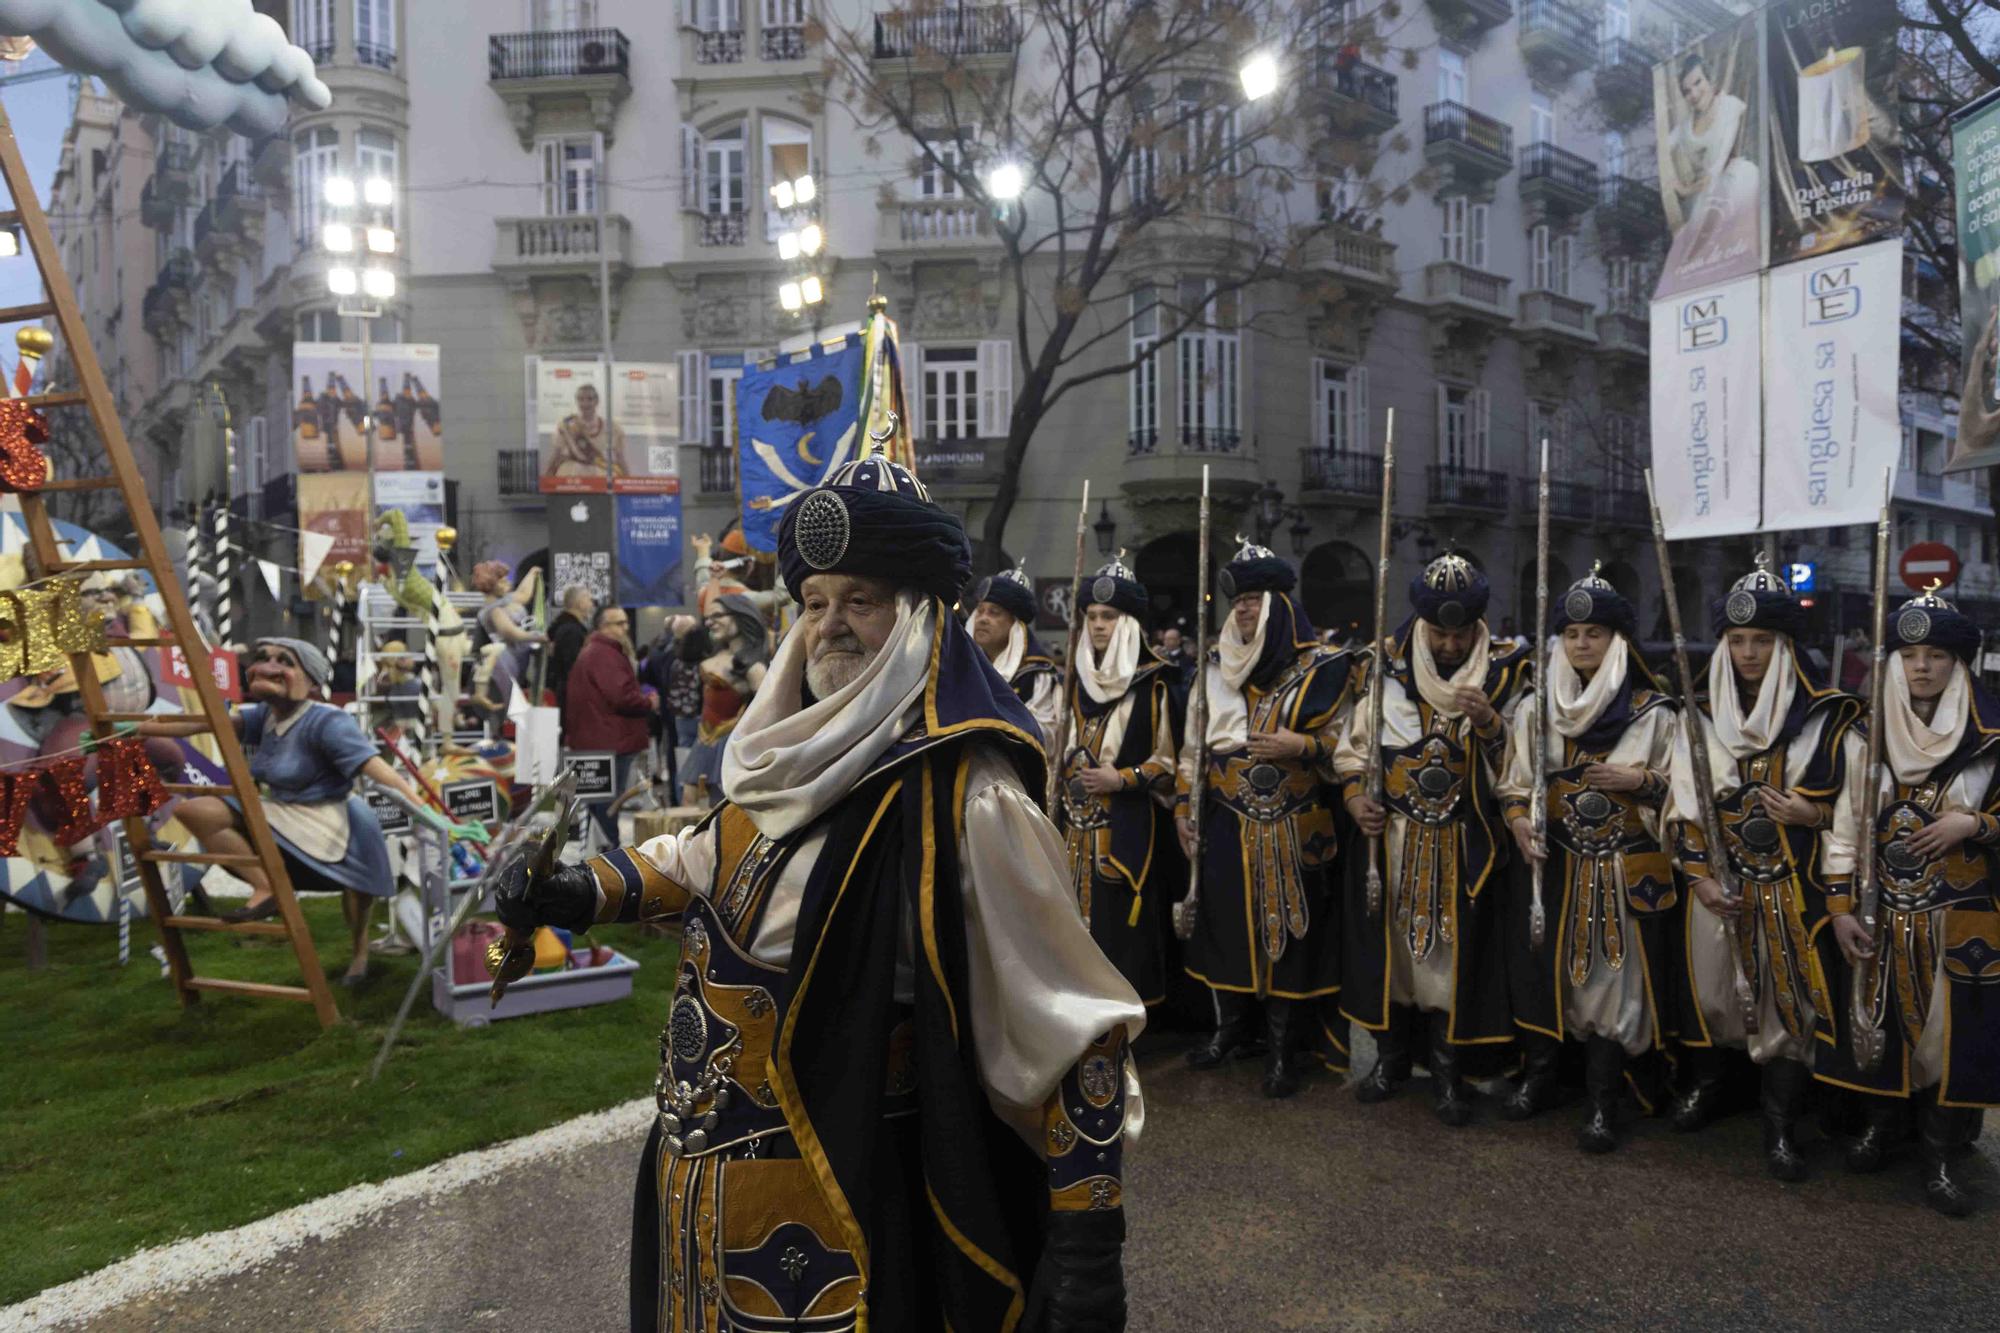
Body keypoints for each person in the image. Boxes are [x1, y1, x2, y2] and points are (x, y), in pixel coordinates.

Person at [496, 457, 1144, 1332]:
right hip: (705, 1198)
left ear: (920, 617)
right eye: (814, 602)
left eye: (862, 600)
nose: (831, 626)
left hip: (852, 1204)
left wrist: (1087, 1250)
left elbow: (1077, 1030)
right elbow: (697, 859)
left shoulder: (970, 792)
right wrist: (579, 888)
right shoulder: (782, 754)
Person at [1663, 554, 1863, 1180]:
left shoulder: (1829, 721)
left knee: (1790, 1004)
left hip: (1794, 893)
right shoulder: (1696, 716)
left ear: (1785, 646)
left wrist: (1813, 816)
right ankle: (1714, 1086)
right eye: (1738, 640)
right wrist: (1697, 877)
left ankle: (1780, 1122)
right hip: (1719, 888)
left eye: (1763, 641)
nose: (1749, 653)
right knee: (1715, 989)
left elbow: (1858, 814)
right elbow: (1682, 807)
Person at [1818, 586, 2000, 1216]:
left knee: (1952, 1038)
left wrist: (1974, 826)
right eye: (1910, 653)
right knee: (1880, 1022)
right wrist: (1839, 908)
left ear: (1959, 665)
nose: (1922, 666)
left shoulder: (1995, 735)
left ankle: (1943, 1154)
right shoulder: (1864, 736)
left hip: (1962, 916)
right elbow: (1842, 829)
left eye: (1938, 655)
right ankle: (1883, 1124)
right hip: (1881, 910)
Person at [1337, 552, 1531, 1125]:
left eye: (1460, 634)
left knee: (1450, 959)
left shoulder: (1508, 673)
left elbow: (1524, 770)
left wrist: (1492, 724)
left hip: (1463, 842)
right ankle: (1392, 1061)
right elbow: (1353, 747)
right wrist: (1354, 798)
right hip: (1393, 839)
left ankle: (1448, 1071)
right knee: (1393, 955)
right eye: (1440, 634)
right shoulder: (1382, 668)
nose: (1449, 646)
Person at [1498, 566, 1681, 1152]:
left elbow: (1689, 794)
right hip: (1555, 866)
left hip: (1625, 868)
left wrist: (1643, 779)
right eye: (1572, 633)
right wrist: (1521, 821)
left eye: (1595, 633)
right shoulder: (1533, 709)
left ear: (1617, 641)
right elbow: (1513, 783)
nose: (1582, 643)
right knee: (1548, 974)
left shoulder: (1656, 713)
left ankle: (1605, 1099)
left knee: (1612, 984)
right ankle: (1545, 1076)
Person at [1177, 541, 1357, 1097]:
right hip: (1228, 820)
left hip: (1295, 823)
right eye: (1239, 602)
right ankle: (1232, 1029)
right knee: (1228, 927)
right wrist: (1185, 806)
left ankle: (1284, 1047)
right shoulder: (1213, 666)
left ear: (1279, 604)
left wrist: (1302, 745)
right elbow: (1191, 751)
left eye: (1255, 600)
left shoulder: (1326, 667)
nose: (1244, 611)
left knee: (1292, 934)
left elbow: (1351, 746)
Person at [176, 638, 458, 985]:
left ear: (310, 679)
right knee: (199, 811)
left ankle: (360, 953)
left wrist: (425, 812)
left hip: (335, 819)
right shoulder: (264, 716)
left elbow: (376, 769)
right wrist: (142, 729)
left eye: (285, 661)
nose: (269, 665)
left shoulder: (328, 722)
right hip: (280, 812)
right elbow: (209, 722)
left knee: (358, 897)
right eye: (263, 657)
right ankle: (267, 889)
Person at [1055, 553, 1185, 1008]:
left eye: (1108, 617)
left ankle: (1126, 1020)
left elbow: (1170, 763)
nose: (1097, 626)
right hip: (1071, 830)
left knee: (1119, 932)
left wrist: (1123, 778)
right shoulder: (1070, 681)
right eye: (1091, 617)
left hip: (1125, 831)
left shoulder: (1156, 686)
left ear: (1127, 623)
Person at [564, 605, 656, 846]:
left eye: (626, 622)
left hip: (599, 738)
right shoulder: (604, 654)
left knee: (600, 800)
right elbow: (620, 696)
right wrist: (647, 702)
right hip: (611, 739)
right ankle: (611, 852)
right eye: (619, 623)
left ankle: (605, 850)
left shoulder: (594, 651)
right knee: (606, 803)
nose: (626, 628)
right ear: (603, 627)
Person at [678, 593, 769, 805]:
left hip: (732, 741)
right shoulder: (717, 656)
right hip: (705, 737)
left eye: (718, 615)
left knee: (724, 803)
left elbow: (766, 712)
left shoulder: (753, 667)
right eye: (708, 618)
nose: (710, 622)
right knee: (689, 798)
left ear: (739, 616)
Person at [966, 559, 1061, 747]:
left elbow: (1045, 733)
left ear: (1014, 624)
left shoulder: (1034, 675)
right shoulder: (963, 667)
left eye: (994, 613)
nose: (983, 619)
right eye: (980, 611)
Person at [471, 561, 544, 707]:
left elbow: (524, 594)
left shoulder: (503, 600)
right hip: (505, 661)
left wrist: (531, 573)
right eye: (502, 581)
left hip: (517, 657)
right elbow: (511, 633)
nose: (507, 583)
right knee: (509, 704)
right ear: (491, 585)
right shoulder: (493, 610)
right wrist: (538, 636)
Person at [544, 381, 628, 481]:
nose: (585, 403)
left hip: (600, 473)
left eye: (589, 399)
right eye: (581, 399)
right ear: (577, 401)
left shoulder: (612, 427)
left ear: (597, 401)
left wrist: (628, 482)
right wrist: (546, 479)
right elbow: (556, 455)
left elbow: (620, 458)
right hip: (571, 473)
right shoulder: (567, 425)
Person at [547, 583, 596, 718]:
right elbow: (574, 668)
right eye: (589, 600)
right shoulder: (572, 631)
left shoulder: (564, 628)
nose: (592, 605)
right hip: (572, 700)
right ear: (580, 603)